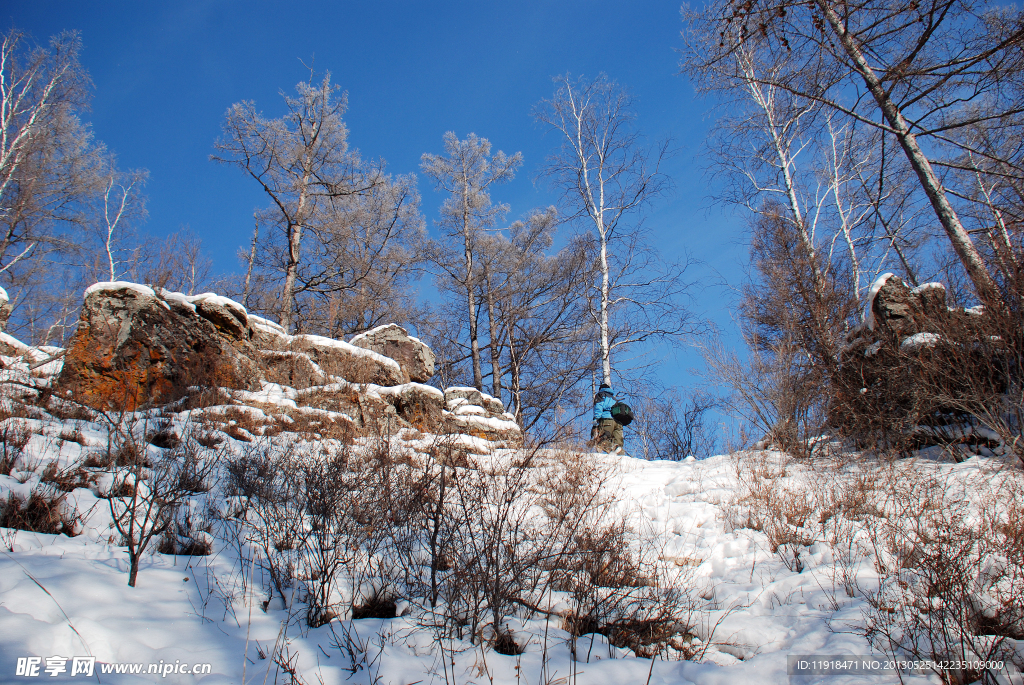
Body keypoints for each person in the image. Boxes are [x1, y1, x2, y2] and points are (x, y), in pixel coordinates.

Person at [592, 382, 623, 453]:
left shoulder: (600, 395)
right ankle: (622, 460)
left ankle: (613, 448)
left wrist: (596, 419)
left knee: (602, 441)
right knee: (619, 445)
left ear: (600, 389)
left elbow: (598, 407)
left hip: (607, 420)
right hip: (617, 422)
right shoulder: (614, 398)